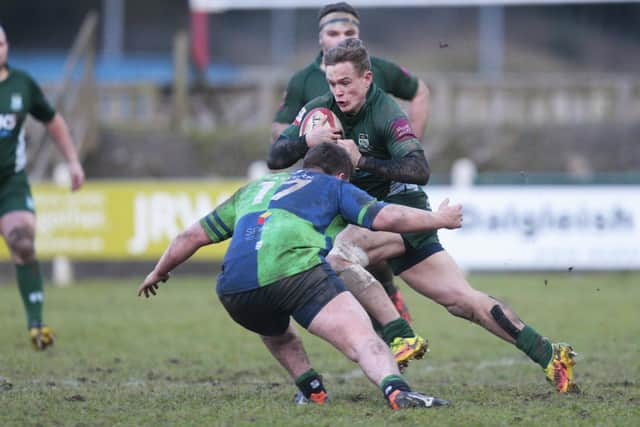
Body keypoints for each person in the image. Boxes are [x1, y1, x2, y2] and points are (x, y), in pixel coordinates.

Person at [268, 38, 578, 393]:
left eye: (346, 83)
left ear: (367, 78)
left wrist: (362, 160)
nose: (338, 91)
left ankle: (400, 334)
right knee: (463, 301)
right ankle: (550, 353)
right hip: (374, 220)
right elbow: (275, 158)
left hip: (403, 215)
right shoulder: (318, 111)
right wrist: (305, 141)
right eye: (333, 83)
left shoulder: (386, 113)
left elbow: (419, 169)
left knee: (339, 257)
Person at [138, 143, 462, 409]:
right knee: (362, 339)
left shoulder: (255, 188)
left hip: (235, 289)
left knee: (277, 331)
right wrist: (438, 219)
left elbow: (189, 238)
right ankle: (397, 391)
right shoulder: (334, 186)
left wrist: (158, 272)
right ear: (340, 174)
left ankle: (312, 391)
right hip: (296, 273)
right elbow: (387, 216)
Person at [271, 0, 429, 339]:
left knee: (349, 259)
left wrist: (410, 143)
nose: (339, 91)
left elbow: (419, 92)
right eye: (333, 32)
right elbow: (278, 143)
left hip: (371, 185)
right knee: (328, 262)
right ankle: (386, 327)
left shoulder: (378, 70)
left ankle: (389, 330)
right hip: (324, 187)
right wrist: (305, 142)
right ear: (320, 38)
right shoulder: (303, 82)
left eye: (349, 32)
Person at [0, 25, 85, 350]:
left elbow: (52, 119)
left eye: (2, 43)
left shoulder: (21, 84)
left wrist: (73, 161)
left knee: (22, 243)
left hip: (10, 183)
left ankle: (36, 324)